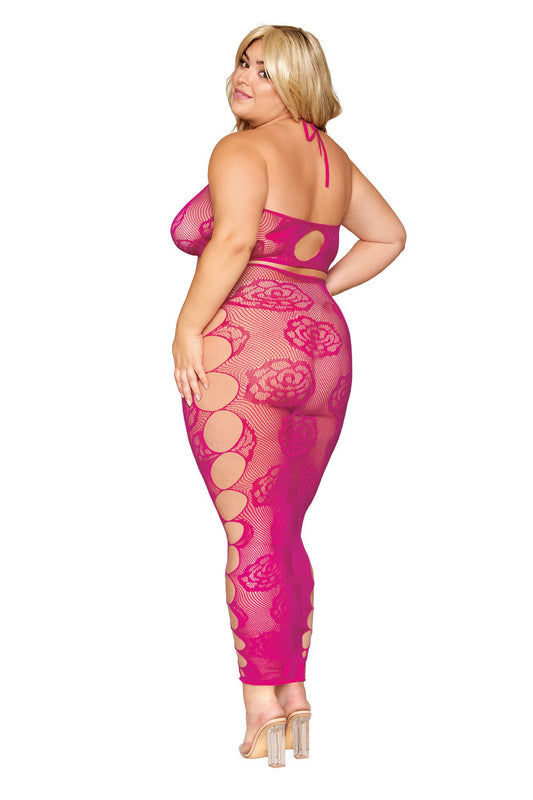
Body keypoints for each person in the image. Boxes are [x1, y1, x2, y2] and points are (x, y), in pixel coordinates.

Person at [170, 24, 406, 766]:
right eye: (243, 62)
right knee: (285, 530)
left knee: (252, 536)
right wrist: (312, 289)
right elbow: (388, 236)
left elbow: (233, 242)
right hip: (323, 348)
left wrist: (186, 327)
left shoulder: (239, 151)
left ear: (299, 81)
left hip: (244, 347)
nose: (244, 77)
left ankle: (260, 708)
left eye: (267, 71)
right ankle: (295, 692)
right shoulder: (331, 159)